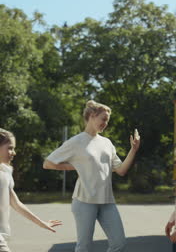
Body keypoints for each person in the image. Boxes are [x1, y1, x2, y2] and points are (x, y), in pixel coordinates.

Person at [43, 100, 140, 252]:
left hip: (107, 201)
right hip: (84, 202)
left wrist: (133, 150)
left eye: (107, 121)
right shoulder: (76, 141)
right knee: (84, 247)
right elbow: (48, 163)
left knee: (119, 243)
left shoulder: (107, 143)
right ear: (92, 116)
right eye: (103, 119)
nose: (105, 124)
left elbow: (121, 170)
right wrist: (75, 166)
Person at [0, 128, 62, 252]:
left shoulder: (5, 173)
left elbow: (16, 204)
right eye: (10, 148)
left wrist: (41, 223)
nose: (14, 153)